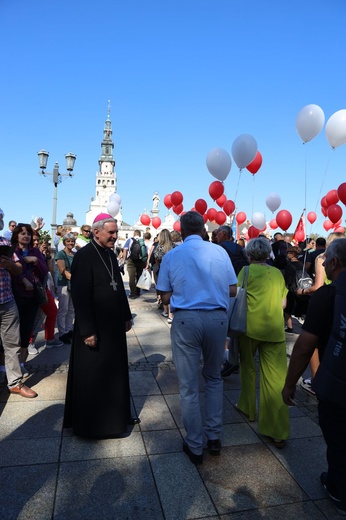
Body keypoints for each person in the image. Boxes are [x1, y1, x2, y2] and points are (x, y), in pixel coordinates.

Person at [156, 211, 237, 464]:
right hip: (216, 319)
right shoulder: (219, 252)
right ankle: (214, 436)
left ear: (181, 230)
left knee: (189, 385)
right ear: (204, 229)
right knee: (213, 378)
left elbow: (164, 295)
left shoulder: (172, 255)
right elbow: (233, 289)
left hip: (187, 319)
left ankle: (195, 443)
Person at [282, 238, 346, 516]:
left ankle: (339, 488)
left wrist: (289, 384)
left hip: (338, 383)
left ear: (333, 263)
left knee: (338, 439)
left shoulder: (327, 296)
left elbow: (305, 345)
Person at [63, 213, 139, 438]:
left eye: (116, 232)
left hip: (113, 326)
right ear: (96, 232)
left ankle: (115, 420)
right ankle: (93, 426)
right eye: (111, 232)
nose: (115, 236)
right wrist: (87, 330)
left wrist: (126, 315)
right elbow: (81, 296)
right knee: (93, 375)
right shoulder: (84, 257)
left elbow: (118, 288)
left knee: (113, 374)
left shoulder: (109, 254)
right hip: (94, 327)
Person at [236, 237, 289, 448]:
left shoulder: (246, 272)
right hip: (274, 330)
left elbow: (236, 298)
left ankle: (248, 407)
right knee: (276, 380)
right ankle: (277, 431)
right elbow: (283, 303)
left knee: (248, 369)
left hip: (249, 328)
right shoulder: (277, 273)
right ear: (268, 254)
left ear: (249, 254)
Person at [0, 234, 37, 397]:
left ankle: (14, 382)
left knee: (12, 343)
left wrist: (9, 265)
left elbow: (19, 268)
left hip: (7, 300)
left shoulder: (5, 243)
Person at [11, 224, 48, 363]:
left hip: (32, 296)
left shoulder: (35, 251)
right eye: (22, 233)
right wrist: (23, 278)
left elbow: (44, 271)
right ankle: (9, 365)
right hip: (15, 294)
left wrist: (36, 260)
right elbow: (11, 271)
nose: (26, 236)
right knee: (13, 331)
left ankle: (21, 362)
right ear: (16, 236)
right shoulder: (12, 251)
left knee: (27, 329)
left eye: (28, 234)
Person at [56, 233, 75, 344]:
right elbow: (62, 270)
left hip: (73, 284)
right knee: (63, 309)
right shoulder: (61, 254)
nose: (70, 243)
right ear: (64, 242)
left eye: (72, 241)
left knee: (71, 309)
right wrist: (74, 278)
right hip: (64, 283)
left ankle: (68, 330)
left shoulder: (75, 254)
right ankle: (62, 333)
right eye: (68, 241)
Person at [122, 230, 148, 299]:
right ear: (140, 234)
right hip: (140, 261)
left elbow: (125, 250)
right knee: (139, 276)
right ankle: (138, 291)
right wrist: (146, 262)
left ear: (134, 234)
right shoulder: (143, 241)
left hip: (131, 260)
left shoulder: (129, 240)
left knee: (131, 277)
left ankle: (132, 293)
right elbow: (146, 253)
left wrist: (124, 260)